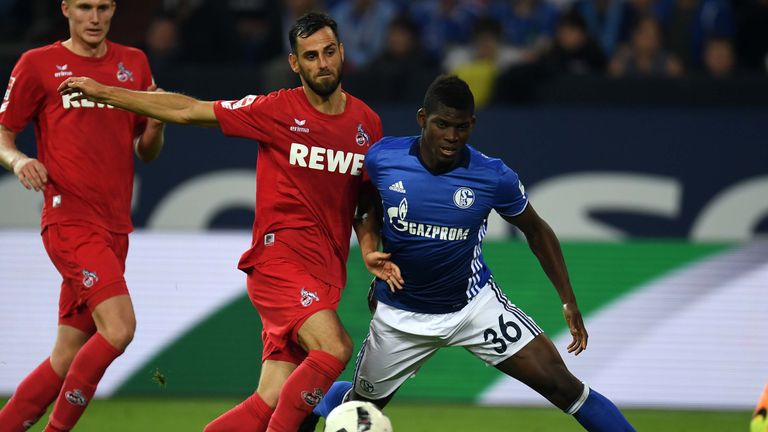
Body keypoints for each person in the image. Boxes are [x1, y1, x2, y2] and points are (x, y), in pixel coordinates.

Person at [57, 12, 403, 432]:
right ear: (295, 64)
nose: (322, 63)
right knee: (335, 347)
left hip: (325, 273)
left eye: (329, 52)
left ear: (342, 51)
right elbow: (187, 110)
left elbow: (365, 199)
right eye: (310, 56)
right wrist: (106, 92)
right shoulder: (275, 109)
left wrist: (367, 248)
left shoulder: (367, 123)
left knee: (272, 397)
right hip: (279, 265)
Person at [307, 75, 636, 431]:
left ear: (473, 125)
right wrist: (369, 248)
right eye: (442, 125)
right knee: (359, 410)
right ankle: (310, 403)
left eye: (461, 127)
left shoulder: (492, 176)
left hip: (473, 307)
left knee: (562, 384)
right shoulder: (384, 158)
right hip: (401, 316)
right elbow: (365, 202)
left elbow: (537, 230)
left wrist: (568, 300)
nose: (451, 136)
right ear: (422, 120)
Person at [0, 1, 165, 431]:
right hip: (69, 220)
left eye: (103, 7)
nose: (94, 18)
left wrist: (157, 124)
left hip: (116, 226)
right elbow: (3, 134)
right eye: (85, 7)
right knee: (119, 328)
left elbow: (144, 152)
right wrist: (18, 161)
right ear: (66, 9)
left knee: (67, 354)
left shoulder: (134, 62)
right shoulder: (38, 64)